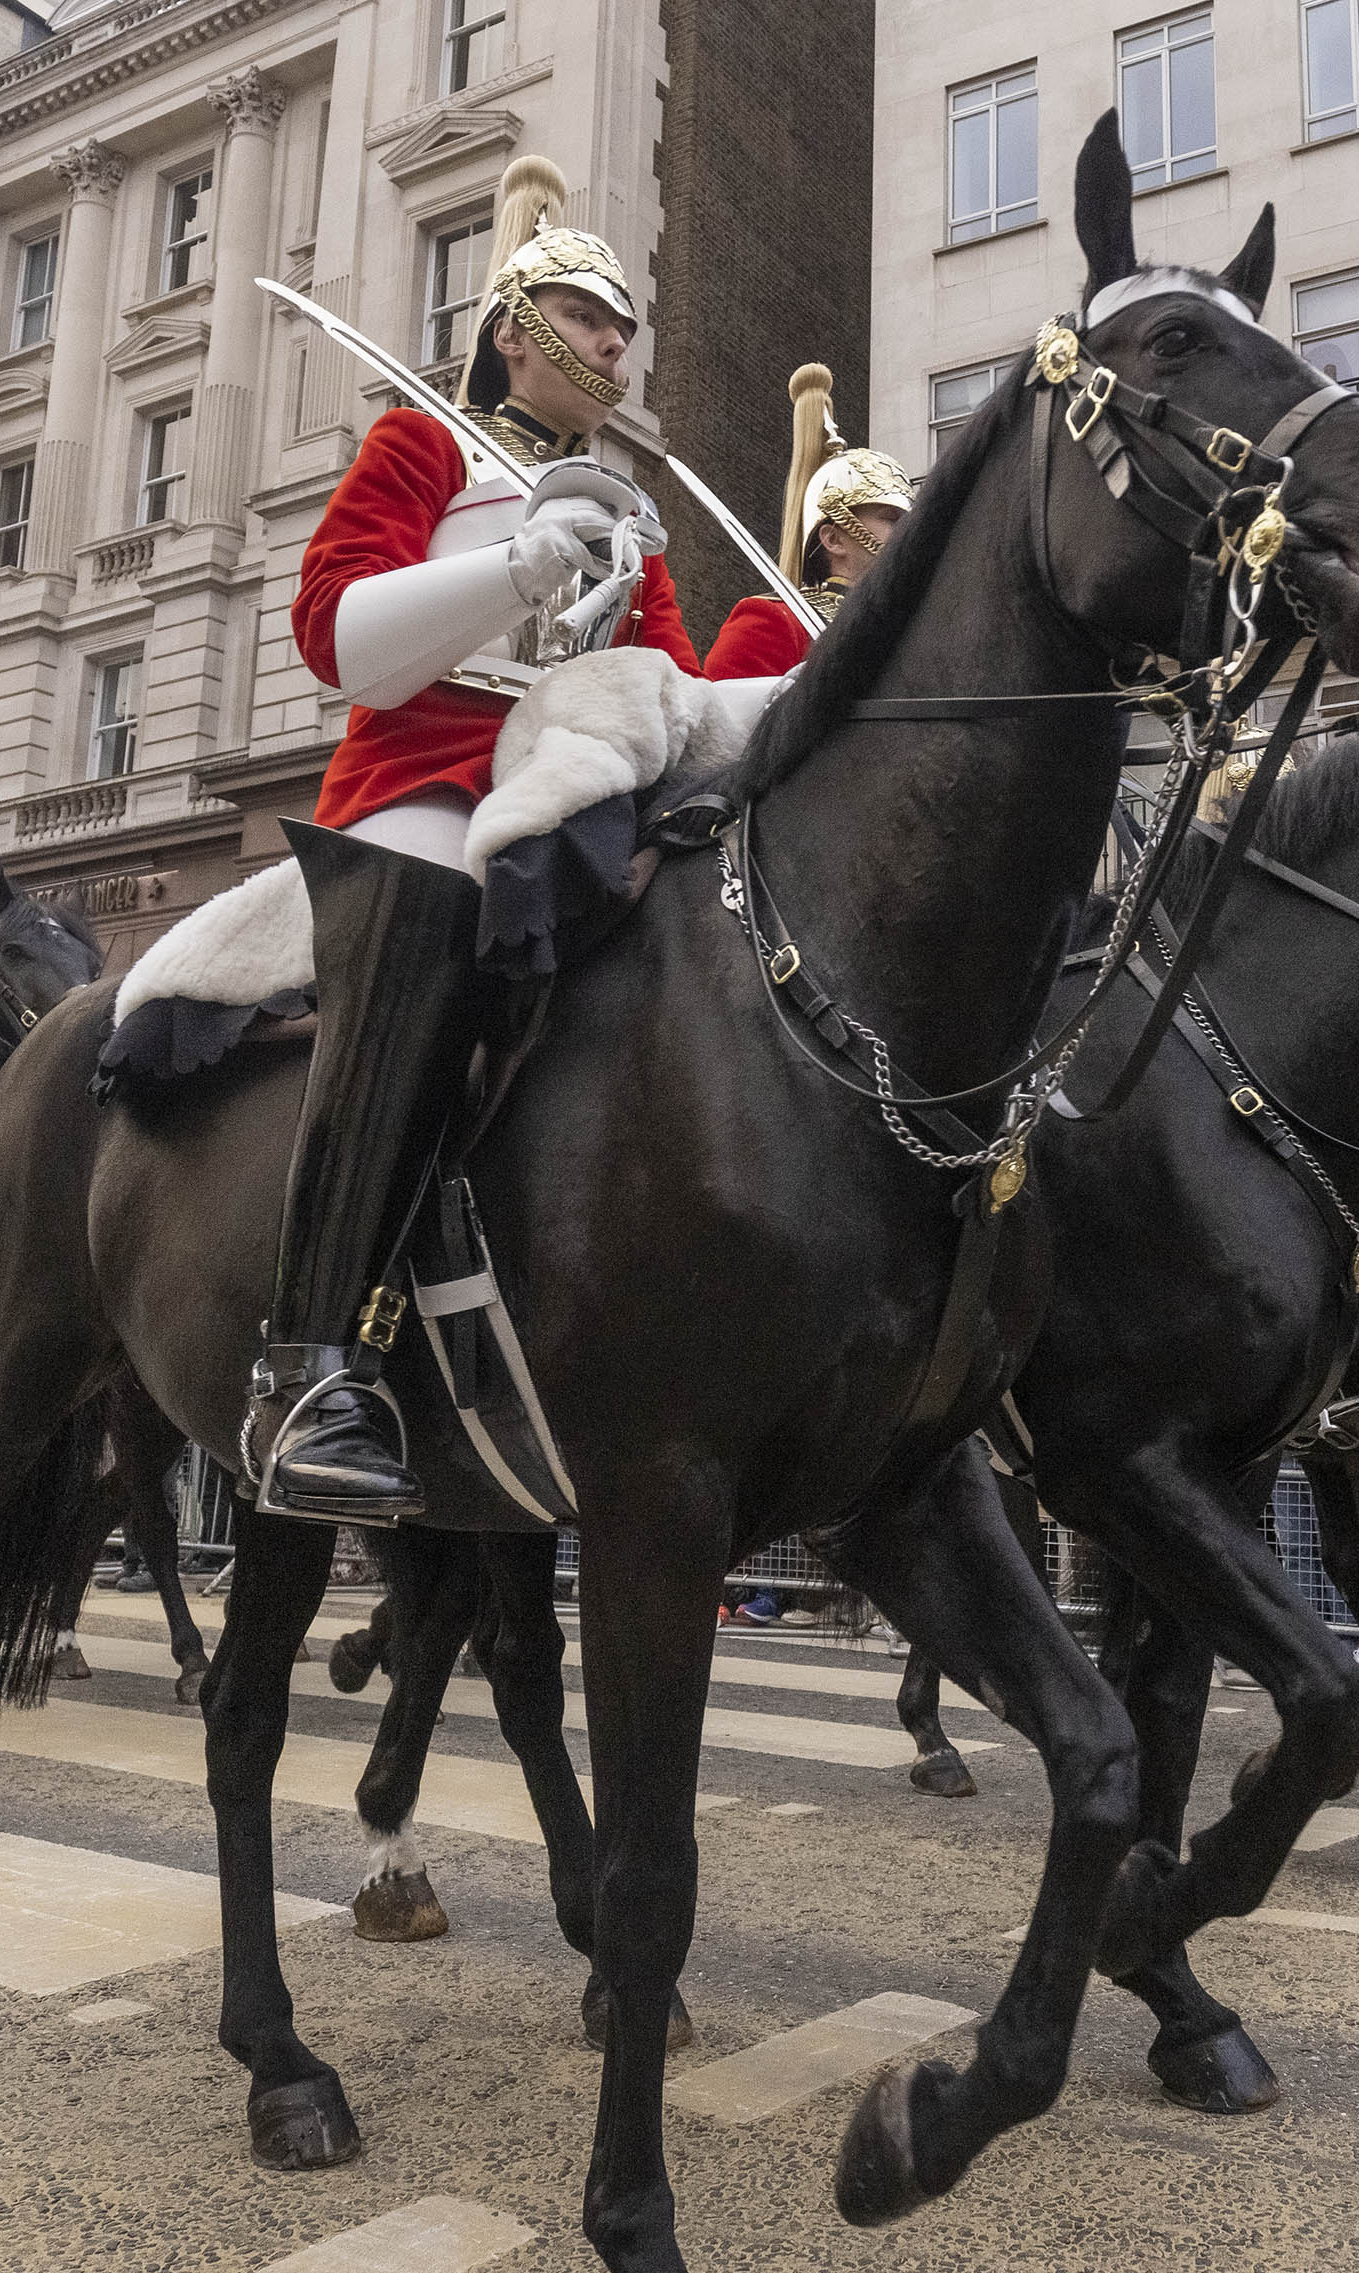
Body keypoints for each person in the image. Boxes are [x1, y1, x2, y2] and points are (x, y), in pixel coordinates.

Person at [245, 154, 701, 1521]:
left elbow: (670, 685)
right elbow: (337, 638)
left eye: (625, 328)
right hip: (428, 776)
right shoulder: (424, 446)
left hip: (576, 782)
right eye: (589, 320)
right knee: (435, 909)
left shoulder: (627, 509)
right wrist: (519, 565)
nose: (617, 344)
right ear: (515, 330)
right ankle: (311, 1362)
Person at [700, 364, 915, 681]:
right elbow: (727, 726)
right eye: (891, 519)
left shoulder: (913, 628)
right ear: (833, 539)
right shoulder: (775, 622)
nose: (907, 532)